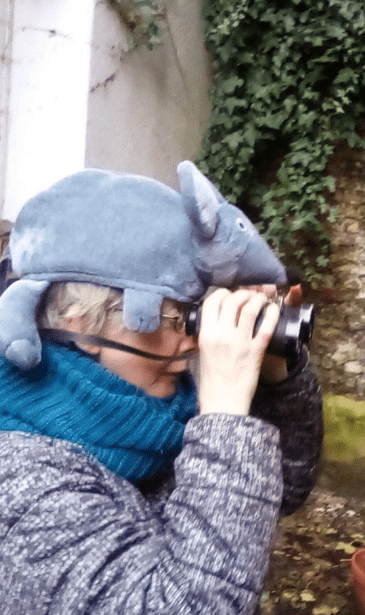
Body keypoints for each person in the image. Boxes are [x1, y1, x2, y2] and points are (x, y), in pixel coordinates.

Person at [0, 163, 323, 613]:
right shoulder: (22, 485)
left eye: (196, 313)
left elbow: (280, 488)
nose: (193, 340)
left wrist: (273, 375)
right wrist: (225, 419)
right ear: (82, 325)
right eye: (174, 318)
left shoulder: (155, 413)